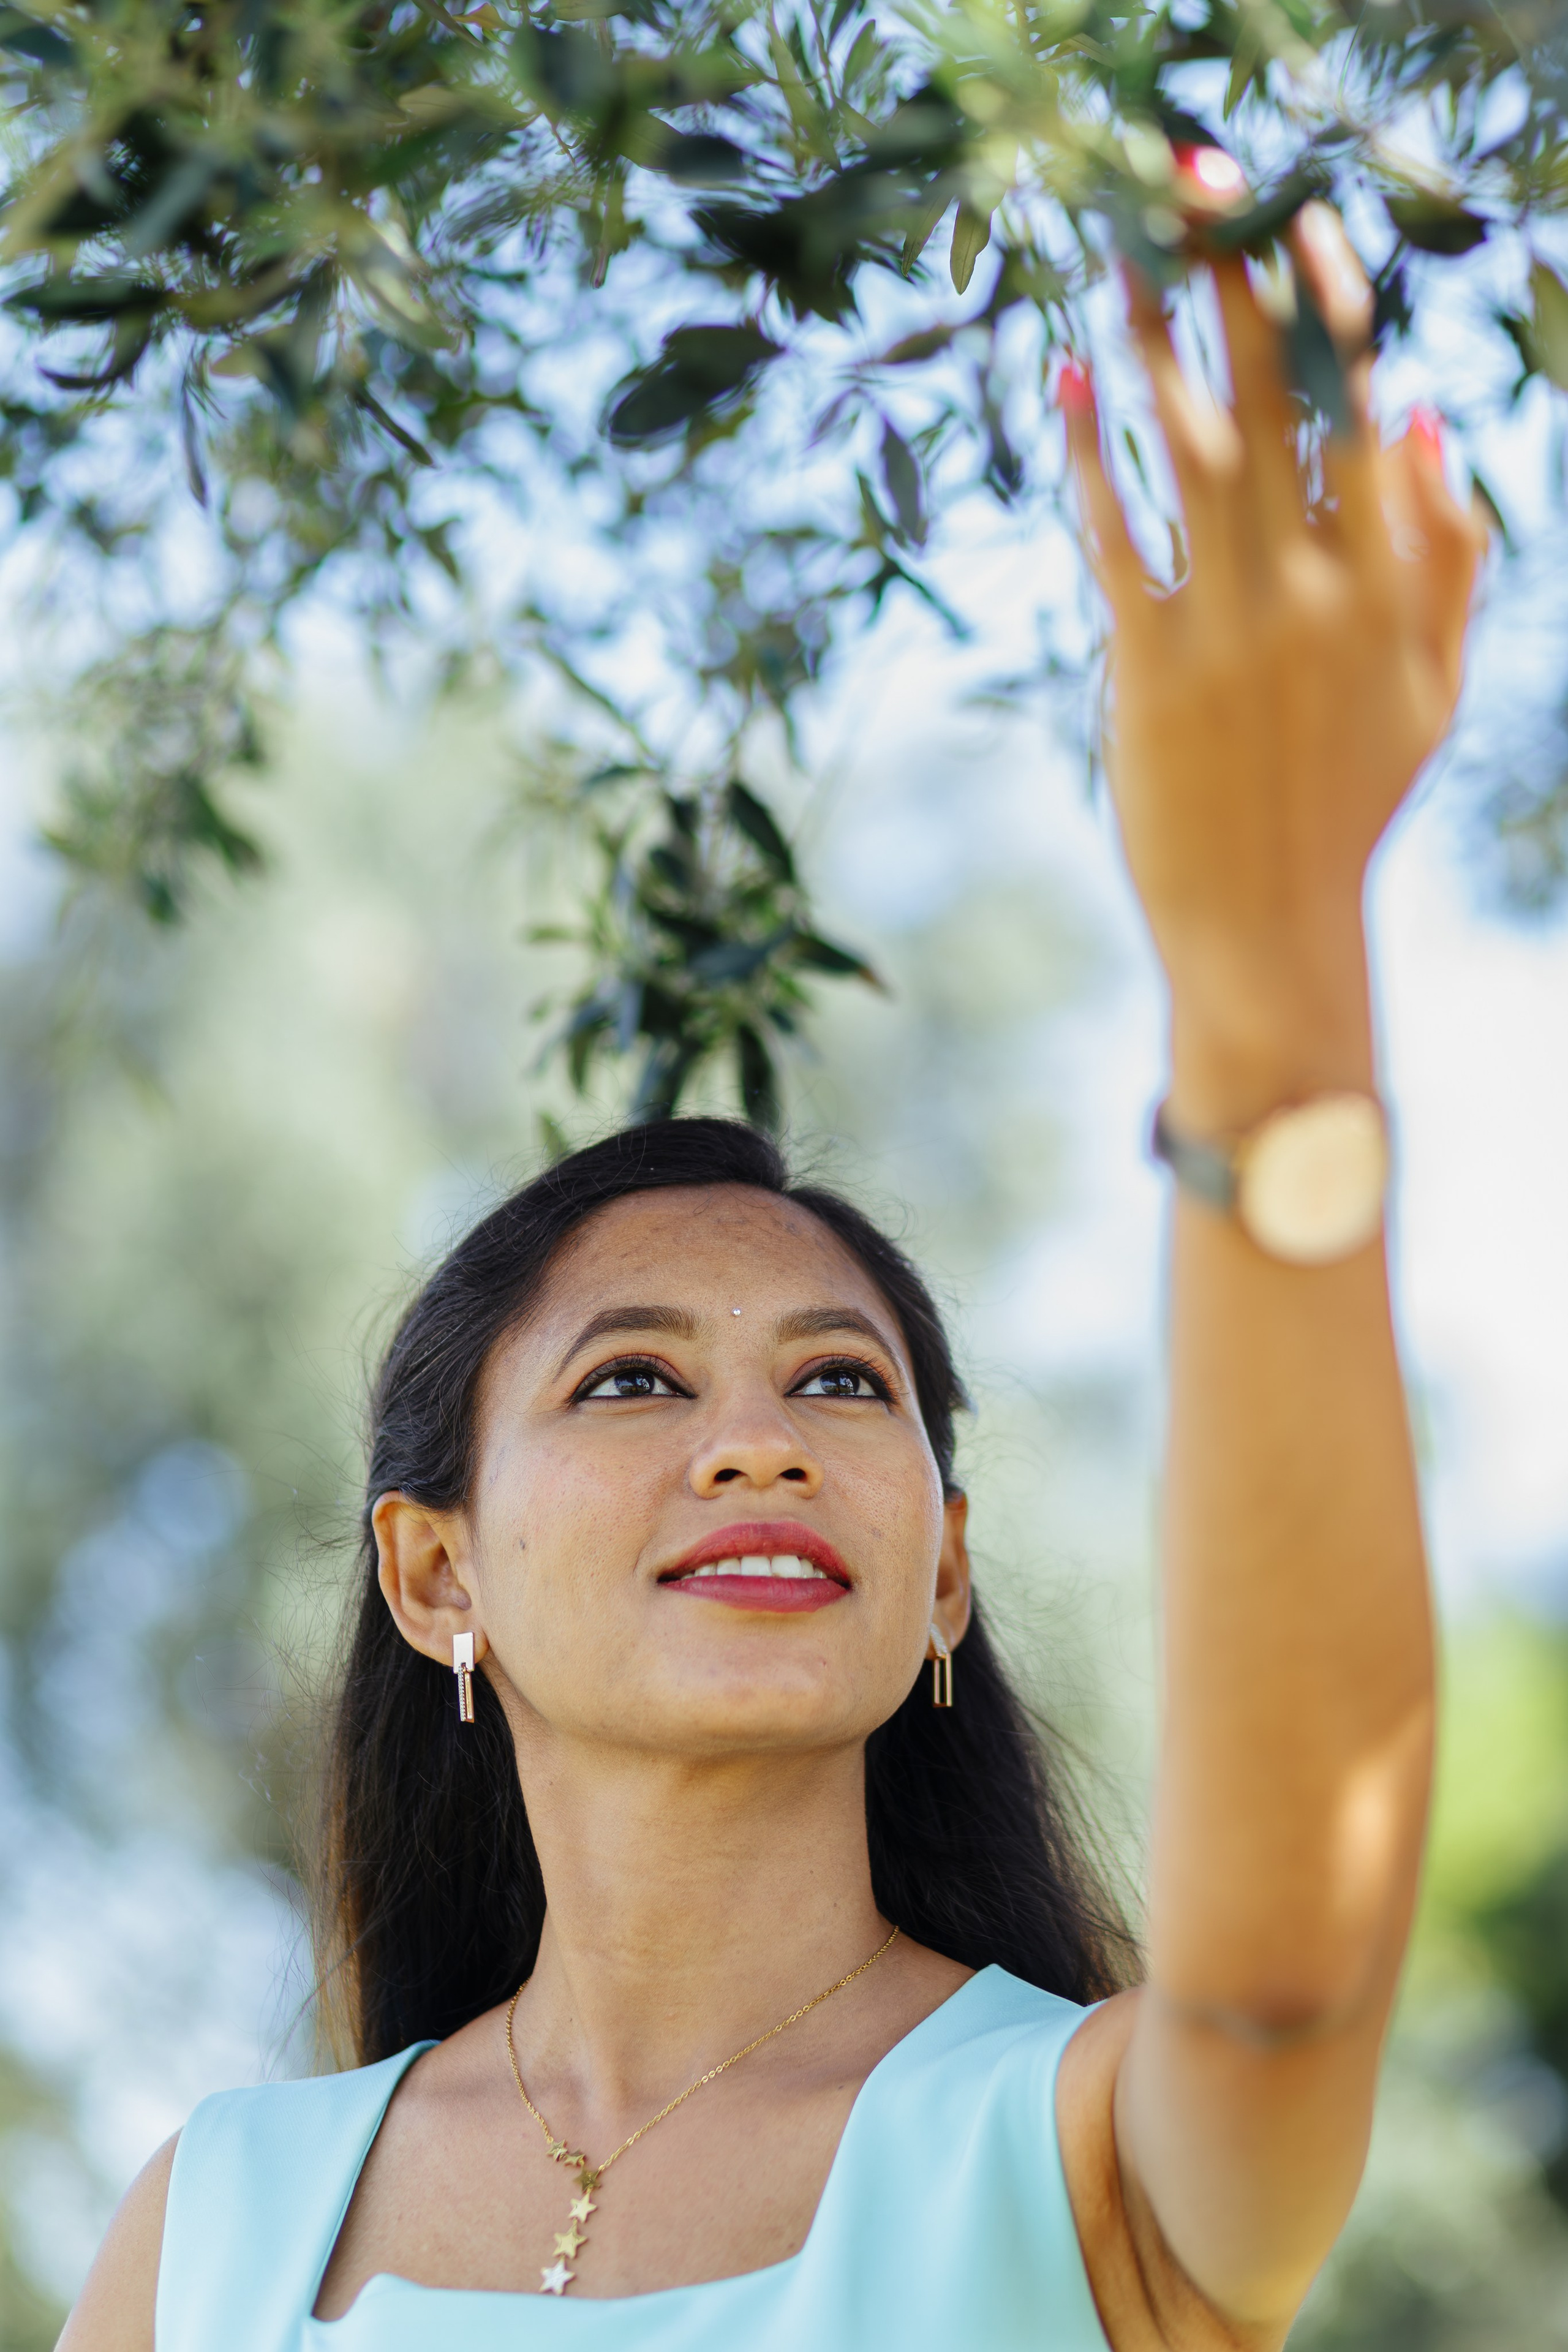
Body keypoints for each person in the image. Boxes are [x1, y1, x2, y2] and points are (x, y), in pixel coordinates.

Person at [61, 200, 1483, 2352]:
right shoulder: (215, 2221)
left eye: (844, 1388)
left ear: (944, 1571)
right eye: (632, 1383)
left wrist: (1270, 978)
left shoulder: (1091, 2154)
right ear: (435, 1577)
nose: (759, 1444)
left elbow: (1300, 1945)